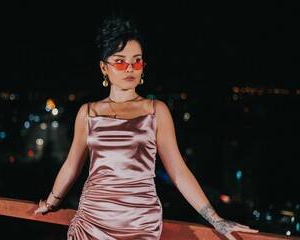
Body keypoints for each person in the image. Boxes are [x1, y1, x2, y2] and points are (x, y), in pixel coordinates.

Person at [34, 14, 259, 240]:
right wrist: (51, 203)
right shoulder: (88, 112)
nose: (129, 68)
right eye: (120, 61)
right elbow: (72, 165)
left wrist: (216, 219)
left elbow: (178, 172)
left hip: (139, 223)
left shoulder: (156, 110)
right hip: (92, 220)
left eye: (137, 61)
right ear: (104, 67)